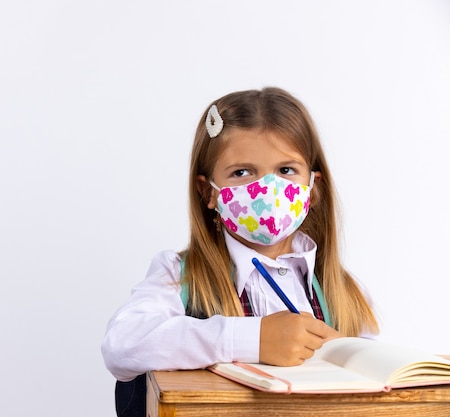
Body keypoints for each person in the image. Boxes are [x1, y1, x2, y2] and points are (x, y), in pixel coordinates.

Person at [101, 87, 379, 417]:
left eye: (286, 170)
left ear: (313, 188)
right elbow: (122, 345)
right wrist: (253, 339)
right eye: (241, 172)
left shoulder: (345, 293)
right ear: (208, 191)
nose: (267, 191)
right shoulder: (179, 276)